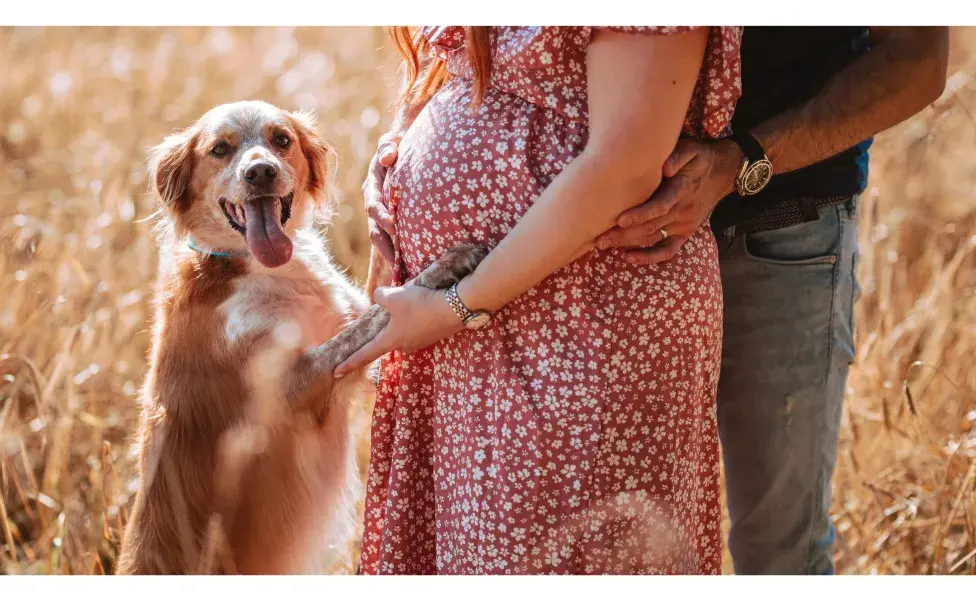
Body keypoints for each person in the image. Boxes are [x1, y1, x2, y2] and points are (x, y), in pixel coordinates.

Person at [336, 26, 743, 574]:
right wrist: (397, 153)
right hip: (470, 334)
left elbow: (623, 163)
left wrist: (459, 304)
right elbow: (457, 61)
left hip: (581, 325)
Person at [592, 27, 949, 574]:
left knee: (777, 556)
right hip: (604, 252)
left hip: (778, 235)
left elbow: (918, 59)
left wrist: (742, 162)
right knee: (622, 550)